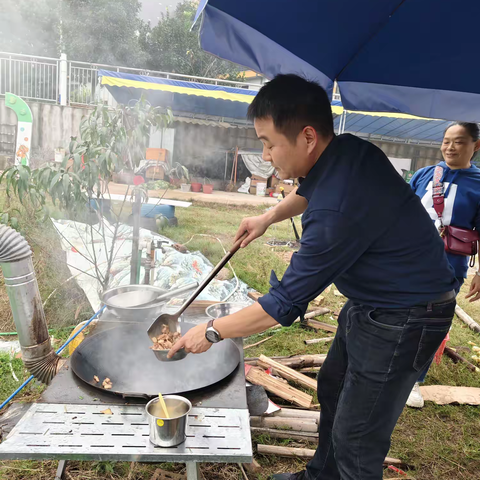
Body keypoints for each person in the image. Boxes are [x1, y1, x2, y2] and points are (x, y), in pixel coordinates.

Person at [168, 74, 457, 480]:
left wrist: (213, 330)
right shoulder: (347, 150)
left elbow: (282, 305)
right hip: (375, 303)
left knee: (357, 437)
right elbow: (311, 189)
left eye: (269, 143)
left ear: (307, 137)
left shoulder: (336, 213)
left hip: (407, 316)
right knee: (333, 386)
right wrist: (268, 216)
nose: (265, 155)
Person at [405, 122, 480, 408]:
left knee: (431, 322)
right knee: (396, 314)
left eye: (459, 142)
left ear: (476, 146)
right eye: (446, 141)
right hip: (406, 259)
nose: (450, 147)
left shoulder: (478, 184)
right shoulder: (425, 174)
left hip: (448, 266)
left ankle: (414, 381)